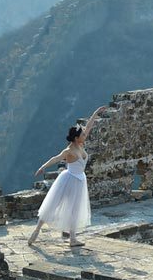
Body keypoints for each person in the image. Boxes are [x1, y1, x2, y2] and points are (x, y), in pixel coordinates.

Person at [28, 105, 106, 247]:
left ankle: (72, 239)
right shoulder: (68, 151)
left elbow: (88, 127)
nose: (85, 135)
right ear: (76, 138)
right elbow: (55, 159)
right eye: (82, 135)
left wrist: (95, 113)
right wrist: (42, 167)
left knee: (75, 209)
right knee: (53, 204)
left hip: (80, 180)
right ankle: (37, 230)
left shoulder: (81, 145)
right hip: (69, 179)